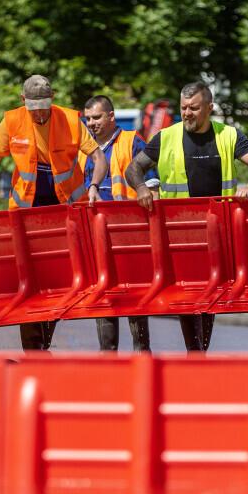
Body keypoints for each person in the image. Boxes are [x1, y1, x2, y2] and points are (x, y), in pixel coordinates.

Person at [125, 81, 248, 352]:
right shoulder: (166, 137)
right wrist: (142, 189)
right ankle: (195, 351)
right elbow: (133, 168)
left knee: (211, 293)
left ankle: (199, 351)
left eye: (193, 108)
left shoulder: (228, 135)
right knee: (187, 292)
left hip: (217, 231)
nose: (187, 113)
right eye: (184, 107)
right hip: (178, 232)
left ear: (209, 108)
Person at [0, 74, 106, 351]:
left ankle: (44, 334)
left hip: (64, 212)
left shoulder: (70, 120)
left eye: (44, 107)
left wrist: (94, 185)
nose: (39, 114)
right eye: (33, 108)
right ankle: (33, 347)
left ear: (53, 98)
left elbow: (98, 157)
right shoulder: (12, 120)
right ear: (22, 100)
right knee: (29, 279)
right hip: (26, 213)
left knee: (58, 277)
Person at [80, 94, 155, 351]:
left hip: (130, 234)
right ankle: (108, 357)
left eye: (97, 117)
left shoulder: (132, 141)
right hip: (97, 235)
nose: (91, 123)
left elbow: (152, 184)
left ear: (111, 116)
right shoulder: (84, 148)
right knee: (104, 295)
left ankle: (141, 355)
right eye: (88, 119)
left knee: (134, 295)